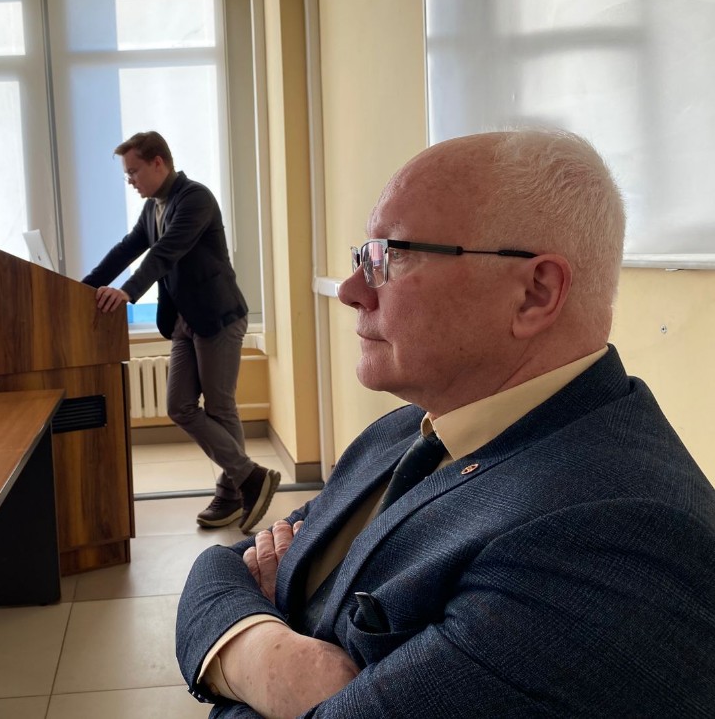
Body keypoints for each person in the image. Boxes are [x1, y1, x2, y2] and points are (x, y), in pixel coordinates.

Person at [175, 129, 715, 717]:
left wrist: (251, 651)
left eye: (393, 255)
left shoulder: (616, 537)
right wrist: (278, 662)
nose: (351, 291)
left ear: (535, 294)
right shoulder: (409, 430)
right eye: (364, 256)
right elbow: (222, 567)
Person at [83, 131, 280, 533]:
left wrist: (128, 291)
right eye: (127, 174)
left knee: (220, 408)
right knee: (179, 406)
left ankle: (231, 493)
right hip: (183, 321)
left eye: (134, 171)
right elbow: (126, 249)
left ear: (158, 163)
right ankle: (249, 476)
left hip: (218, 317)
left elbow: (165, 252)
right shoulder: (153, 207)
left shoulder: (195, 198)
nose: (130, 180)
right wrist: (82, 288)